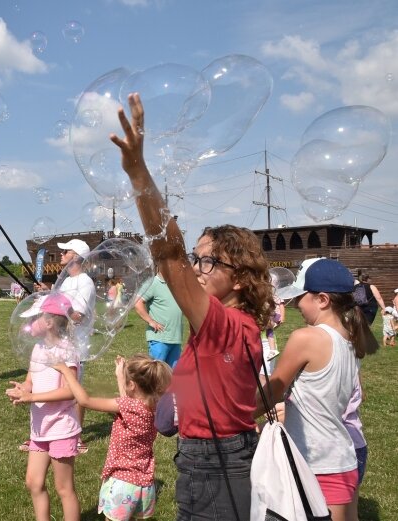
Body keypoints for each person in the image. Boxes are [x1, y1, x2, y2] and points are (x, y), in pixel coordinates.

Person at [112, 93, 273, 520]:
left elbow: (168, 256)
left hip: (214, 466)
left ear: (239, 277)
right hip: (221, 456)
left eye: (208, 260)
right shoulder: (239, 327)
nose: (198, 268)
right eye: (197, 258)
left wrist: (138, 172)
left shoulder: (225, 324)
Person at [262, 258, 379, 521]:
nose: (296, 304)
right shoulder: (351, 337)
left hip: (316, 465)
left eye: (301, 297)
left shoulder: (307, 337)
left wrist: (231, 417)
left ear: (322, 299)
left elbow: (271, 393)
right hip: (343, 459)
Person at [55, 354, 172, 521]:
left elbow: (84, 400)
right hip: (143, 484)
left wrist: (66, 371)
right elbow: (128, 400)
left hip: (121, 483)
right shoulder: (154, 408)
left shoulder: (127, 406)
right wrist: (120, 376)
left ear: (131, 385)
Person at [5, 293, 81, 521]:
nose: (31, 323)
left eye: (37, 318)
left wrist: (31, 397)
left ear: (49, 322)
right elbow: (31, 379)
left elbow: (70, 391)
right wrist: (25, 389)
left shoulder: (67, 351)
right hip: (40, 427)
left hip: (61, 427)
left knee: (64, 488)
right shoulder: (38, 348)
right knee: (33, 482)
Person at [39, 238, 96, 453]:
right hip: (61, 341)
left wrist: (63, 304)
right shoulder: (66, 282)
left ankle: (77, 437)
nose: (61, 254)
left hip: (76, 345)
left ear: (76, 257)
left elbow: (78, 317)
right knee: (59, 387)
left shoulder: (84, 282)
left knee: (74, 390)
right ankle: (55, 432)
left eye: (66, 251)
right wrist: (47, 294)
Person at [134, 273, 183, 368]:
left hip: (175, 339)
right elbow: (137, 302)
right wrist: (151, 321)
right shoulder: (153, 283)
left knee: (172, 378)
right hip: (159, 339)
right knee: (157, 375)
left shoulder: (176, 284)